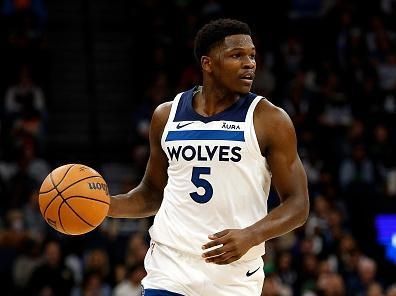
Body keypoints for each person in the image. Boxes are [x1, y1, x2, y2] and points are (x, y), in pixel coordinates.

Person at [108, 18, 309, 296]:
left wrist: (253, 234)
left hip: (234, 274)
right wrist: (105, 206)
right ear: (208, 63)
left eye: (252, 55)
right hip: (170, 267)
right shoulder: (166, 116)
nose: (249, 63)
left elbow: (298, 204)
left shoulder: (269, 119)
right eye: (236, 55)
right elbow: (152, 194)